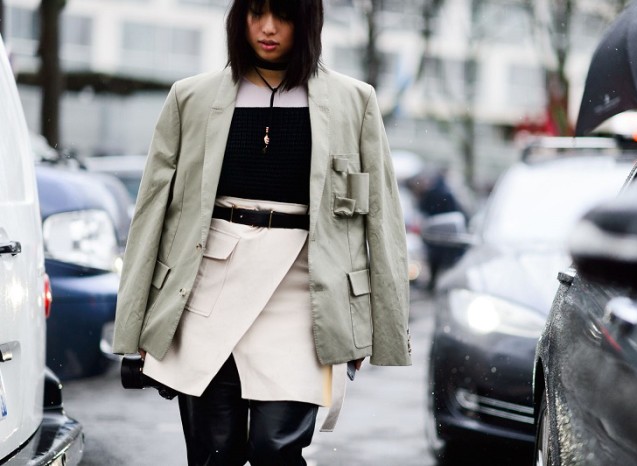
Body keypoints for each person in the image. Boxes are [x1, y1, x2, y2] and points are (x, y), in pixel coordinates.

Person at [111, 0, 412, 464]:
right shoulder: (191, 98)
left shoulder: (354, 102)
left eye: (284, 15)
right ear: (238, 19)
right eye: (255, 13)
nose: (268, 28)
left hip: (304, 289)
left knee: (276, 448)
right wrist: (134, 327)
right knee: (215, 450)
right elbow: (152, 213)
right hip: (207, 288)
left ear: (307, 22)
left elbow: (380, 216)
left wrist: (374, 325)